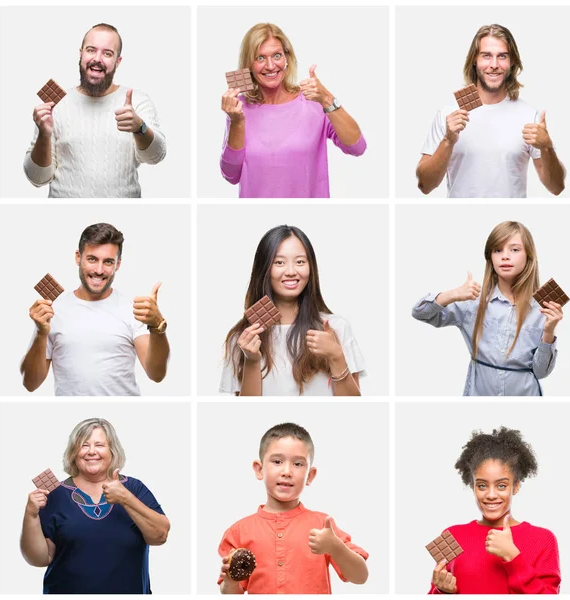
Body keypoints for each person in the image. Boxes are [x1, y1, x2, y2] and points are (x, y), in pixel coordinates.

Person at [412, 221, 563, 396]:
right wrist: (452, 294)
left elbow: (541, 372)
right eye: (497, 250)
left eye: (514, 249)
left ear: (529, 255)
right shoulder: (474, 300)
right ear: (490, 256)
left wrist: (549, 331)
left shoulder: (543, 307)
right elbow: (419, 313)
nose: (505, 256)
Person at [20, 418, 170, 594]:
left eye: (99, 445)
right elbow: (39, 559)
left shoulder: (134, 488)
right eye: (84, 445)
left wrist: (126, 499)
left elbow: (160, 536)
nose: (91, 451)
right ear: (73, 453)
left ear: (112, 451)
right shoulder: (54, 493)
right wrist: (30, 515)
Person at [416, 24, 565, 198]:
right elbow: (424, 185)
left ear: (512, 62)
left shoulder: (529, 116)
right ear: (474, 60)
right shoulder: (448, 115)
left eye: (502, 56)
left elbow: (556, 188)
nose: (494, 65)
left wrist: (547, 148)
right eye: (486, 56)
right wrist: (448, 141)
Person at [217, 423, 369, 594]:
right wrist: (229, 582)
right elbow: (232, 593)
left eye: (297, 464)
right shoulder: (239, 532)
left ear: (310, 476)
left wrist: (335, 546)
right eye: (277, 461)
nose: (287, 471)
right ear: (259, 469)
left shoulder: (322, 527)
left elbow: (360, 577)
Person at [21, 222, 170, 396]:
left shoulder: (132, 309)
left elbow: (156, 374)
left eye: (108, 262)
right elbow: (30, 384)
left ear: (118, 264)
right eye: (92, 259)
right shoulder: (53, 311)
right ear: (78, 257)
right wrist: (41, 333)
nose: (99, 270)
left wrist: (157, 326)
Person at [220, 23, 366, 198]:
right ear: (248, 65)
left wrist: (327, 99)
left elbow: (358, 147)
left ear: (287, 58)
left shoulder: (313, 101)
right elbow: (231, 175)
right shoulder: (239, 108)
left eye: (277, 55)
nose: (270, 65)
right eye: (260, 58)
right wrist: (236, 122)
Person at [24, 23, 166, 198]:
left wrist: (140, 128)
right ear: (81, 53)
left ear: (117, 61)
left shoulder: (137, 100)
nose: (97, 58)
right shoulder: (56, 105)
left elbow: (156, 156)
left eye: (107, 53)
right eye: (91, 50)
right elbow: (37, 178)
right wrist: (43, 135)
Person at [221, 225, 365, 396]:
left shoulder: (335, 328)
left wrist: (336, 356)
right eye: (279, 262)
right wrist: (252, 361)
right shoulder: (243, 338)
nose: (291, 271)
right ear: (264, 268)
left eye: (300, 262)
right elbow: (247, 413)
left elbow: (353, 407)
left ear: (311, 267)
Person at [429, 427, 560, 594]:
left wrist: (512, 556)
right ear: (472, 486)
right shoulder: (451, 536)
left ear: (516, 486)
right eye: (482, 485)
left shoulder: (543, 539)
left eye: (501, 485)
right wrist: (442, 591)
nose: (491, 495)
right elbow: (432, 592)